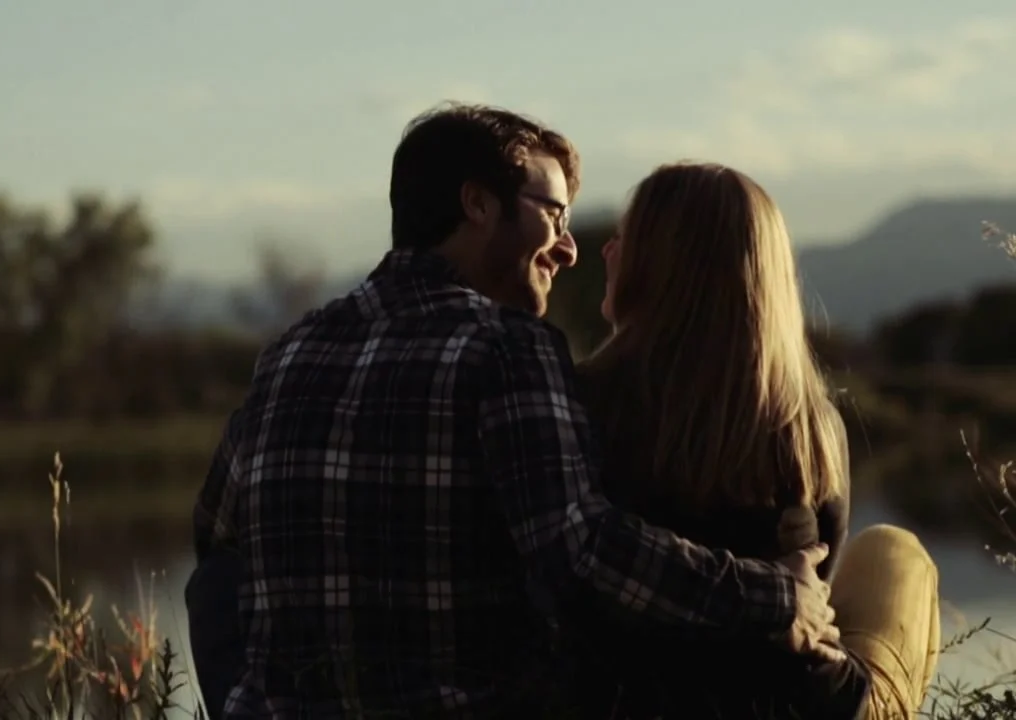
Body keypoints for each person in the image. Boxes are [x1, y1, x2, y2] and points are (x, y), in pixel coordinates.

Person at [188, 103, 843, 718]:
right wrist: (777, 596)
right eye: (553, 215)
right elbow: (581, 553)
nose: (568, 247)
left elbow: (218, 549)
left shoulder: (287, 354)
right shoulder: (505, 350)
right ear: (477, 203)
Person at [562, 161, 941, 718]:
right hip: (793, 704)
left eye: (625, 239)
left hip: (627, 699)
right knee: (895, 552)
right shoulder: (808, 424)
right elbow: (816, 593)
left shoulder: (573, 403)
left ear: (659, 270)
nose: (607, 253)